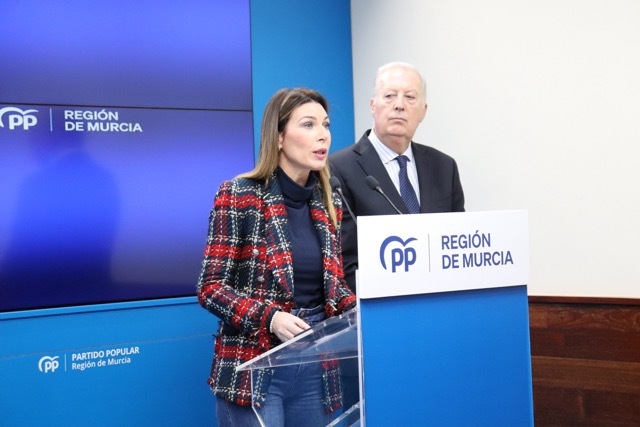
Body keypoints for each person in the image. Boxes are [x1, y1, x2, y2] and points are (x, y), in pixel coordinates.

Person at [197, 88, 356, 427]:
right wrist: (270, 318)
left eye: (326, 125)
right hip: (256, 367)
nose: (323, 135)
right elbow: (210, 288)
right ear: (279, 137)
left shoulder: (329, 200)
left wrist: (359, 310)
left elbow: (334, 286)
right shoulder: (239, 195)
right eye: (309, 125)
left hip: (316, 364)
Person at [329, 61, 466, 407]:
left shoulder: (444, 167)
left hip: (437, 328)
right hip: (375, 328)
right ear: (372, 105)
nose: (399, 105)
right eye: (389, 96)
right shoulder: (339, 168)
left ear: (424, 111)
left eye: (410, 97)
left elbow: (456, 246)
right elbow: (342, 258)